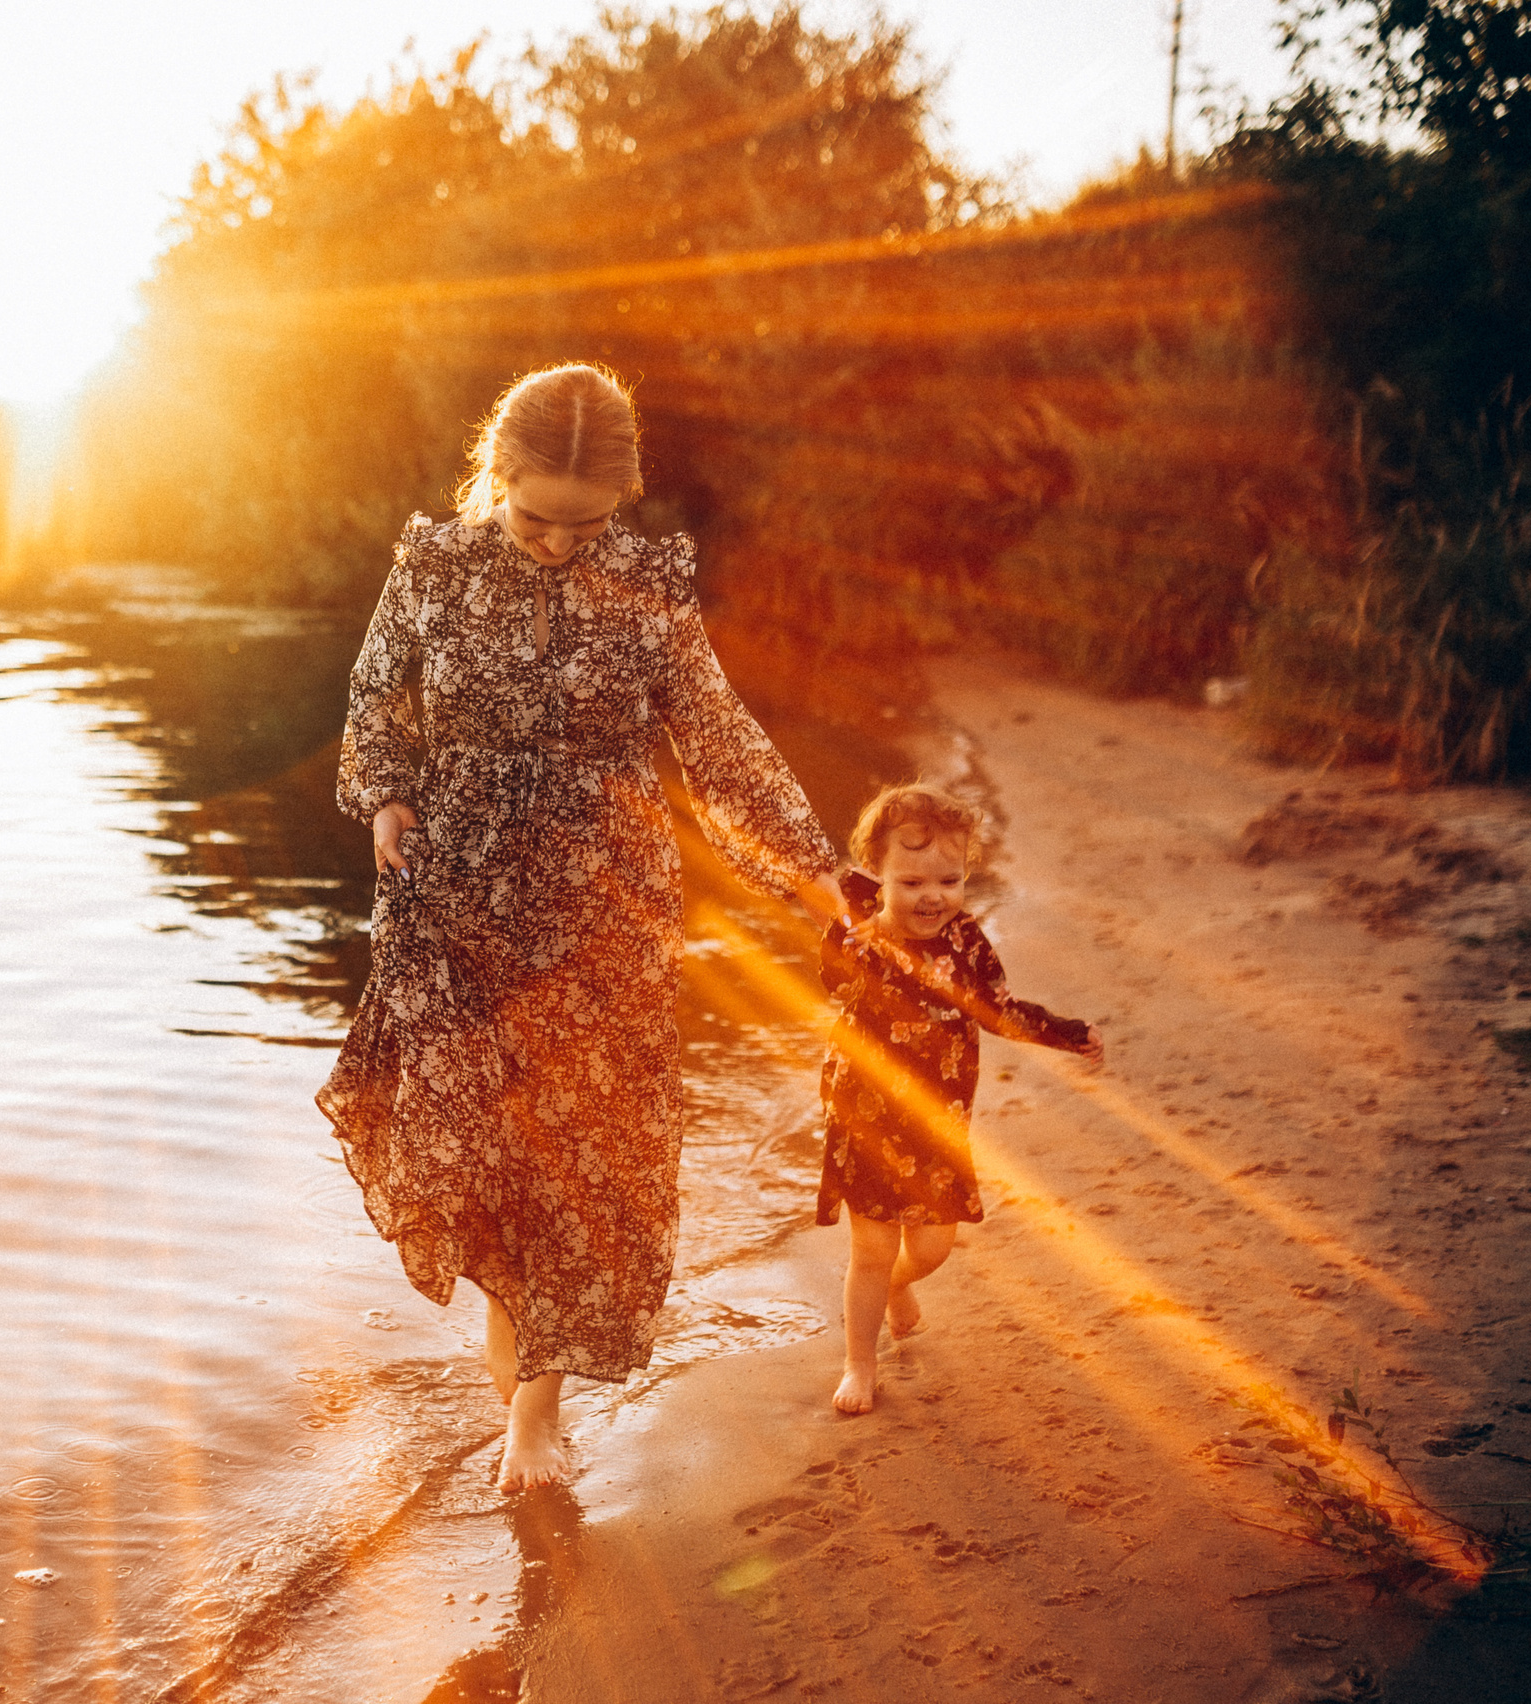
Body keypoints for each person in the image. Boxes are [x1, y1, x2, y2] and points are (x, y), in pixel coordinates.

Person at [315, 363, 844, 1491]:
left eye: (584, 522)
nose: (557, 543)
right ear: (493, 476)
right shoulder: (433, 567)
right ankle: (521, 1335)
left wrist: (814, 872)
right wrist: (387, 794)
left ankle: (535, 1413)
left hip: (600, 910)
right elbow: (372, 696)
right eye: (534, 516)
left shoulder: (648, 584)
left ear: (625, 497)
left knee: (580, 1155)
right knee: (478, 1147)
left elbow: (718, 740)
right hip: (450, 902)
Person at [816, 783, 1105, 1416]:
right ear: (881, 875)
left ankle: (898, 1288)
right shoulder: (863, 935)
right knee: (871, 1246)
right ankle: (859, 1363)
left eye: (949, 880)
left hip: (936, 1123)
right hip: (865, 1113)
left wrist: (1067, 1033)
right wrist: (856, 915)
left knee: (930, 1249)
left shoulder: (967, 941)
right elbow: (830, 976)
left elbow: (998, 1012)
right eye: (912, 882)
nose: (933, 897)